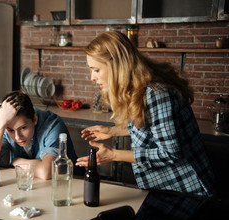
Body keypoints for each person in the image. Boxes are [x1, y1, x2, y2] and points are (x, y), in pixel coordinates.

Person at [76, 31, 215, 196]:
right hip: (166, 188)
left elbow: (169, 153)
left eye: (96, 70)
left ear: (117, 65)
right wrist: (114, 131)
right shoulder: (140, 89)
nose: (92, 77)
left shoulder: (155, 94)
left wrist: (114, 154)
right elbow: (152, 127)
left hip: (186, 188)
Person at [0, 91, 83, 180]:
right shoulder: (6, 124)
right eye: (10, 130)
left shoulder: (53, 125)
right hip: (34, 186)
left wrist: (16, 161)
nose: (18, 137)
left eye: (23, 128)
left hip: (72, 183)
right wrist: (0, 122)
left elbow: (45, 171)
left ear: (35, 119)